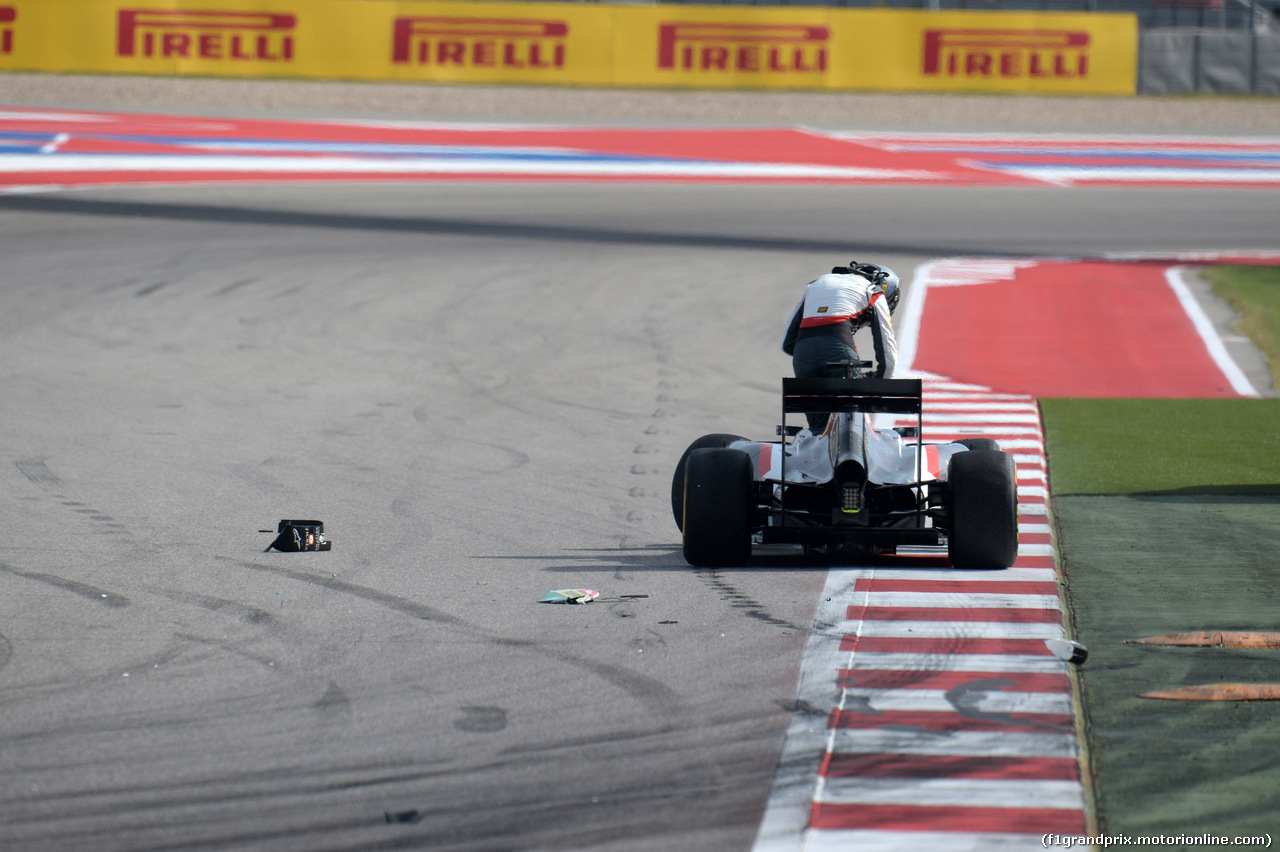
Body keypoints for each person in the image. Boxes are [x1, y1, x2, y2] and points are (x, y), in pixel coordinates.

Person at [780, 262, 901, 432]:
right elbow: (888, 355)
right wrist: (878, 381)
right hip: (839, 349)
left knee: (819, 431)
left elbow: (787, 342)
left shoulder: (816, 284)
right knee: (851, 423)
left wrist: (813, 357)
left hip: (803, 353)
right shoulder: (874, 291)